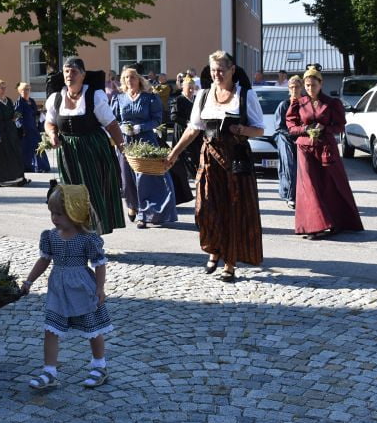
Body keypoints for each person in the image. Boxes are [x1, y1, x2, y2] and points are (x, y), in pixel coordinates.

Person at [167, 51, 265, 281]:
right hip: (209, 157)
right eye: (213, 70)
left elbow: (259, 129)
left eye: (221, 70)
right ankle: (214, 248)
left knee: (233, 211)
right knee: (205, 208)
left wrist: (242, 130)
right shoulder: (203, 95)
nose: (216, 74)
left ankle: (230, 263)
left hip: (236, 158)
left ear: (232, 70)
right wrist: (173, 153)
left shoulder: (245, 95)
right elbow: (193, 129)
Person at [21, 183, 111, 389]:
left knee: (93, 328)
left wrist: (100, 288)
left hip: (81, 289)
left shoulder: (87, 239)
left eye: (59, 214)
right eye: (52, 213)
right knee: (51, 329)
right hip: (58, 290)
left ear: (75, 212)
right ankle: (49, 371)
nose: (54, 218)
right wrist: (29, 281)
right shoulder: (51, 236)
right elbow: (44, 260)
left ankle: (100, 365)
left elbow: (99, 263)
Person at [44, 58, 127, 235]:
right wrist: (52, 135)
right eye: (66, 71)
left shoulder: (94, 96)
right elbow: (49, 122)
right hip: (68, 154)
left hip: (93, 150)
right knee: (71, 194)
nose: (69, 75)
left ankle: (94, 234)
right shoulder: (56, 98)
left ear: (83, 75)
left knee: (93, 193)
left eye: (74, 71)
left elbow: (111, 124)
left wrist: (124, 149)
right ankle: (75, 232)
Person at [285, 66, 363, 239]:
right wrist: (305, 129)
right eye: (307, 85)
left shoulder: (332, 103)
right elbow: (291, 127)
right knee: (309, 186)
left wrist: (325, 128)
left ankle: (337, 222)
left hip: (326, 148)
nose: (310, 88)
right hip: (305, 148)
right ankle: (314, 226)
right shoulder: (298, 103)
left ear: (321, 84)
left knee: (331, 184)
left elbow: (340, 126)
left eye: (313, 85)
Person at [112, 66, 177, 228]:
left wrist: (140, 127)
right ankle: (132, 205)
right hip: (125, 142)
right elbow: (114, 120)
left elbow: (157, 120)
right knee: (126, 178)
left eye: (132, 77)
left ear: (139, 79)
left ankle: (144, 214)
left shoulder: (149, 98)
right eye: (126, 77)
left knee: (144, 178)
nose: (129, 80)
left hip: (145, 141)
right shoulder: (119, 98)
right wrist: (122, 128)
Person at [0, 79, 30, 187]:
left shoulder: (8, 100)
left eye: (4, 87)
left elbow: (12, 115)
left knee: (15, 154)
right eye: (1, 88)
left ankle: (18, 178)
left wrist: (16, 116)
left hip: (10, 132)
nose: (4, 89)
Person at [274, 76, 303, 209]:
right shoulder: (284, 105)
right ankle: (290, 196)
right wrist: (293, 134)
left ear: (301, 88)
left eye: (297, 87)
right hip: (285, 139)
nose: (294, 89)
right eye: (291, 87)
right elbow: (279, 127)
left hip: (302, 138)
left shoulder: (306, 104)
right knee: (289, 167)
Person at [14, 82, 50, 174]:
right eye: (24, 90)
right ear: (20, 91)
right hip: (25, 129)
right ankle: (29, 166)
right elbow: (17, 117)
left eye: (28, 89)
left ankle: (40, 165)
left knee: (37, 146)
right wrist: (21, 128)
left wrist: (41, 113)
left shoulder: (32, 101)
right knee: (26, 148)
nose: (27, 91)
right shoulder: (19, 102)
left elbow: (34, 113)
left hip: (33, 127)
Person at [169, 77, 201, 177]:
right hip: (182, 131)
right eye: (189, 88)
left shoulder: (197, 99)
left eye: (193, 88)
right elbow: (173, 116)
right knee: (185, 154)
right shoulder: (178, 100)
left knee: (196, 154)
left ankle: (195, 175)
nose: (191, 90)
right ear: (183, 88)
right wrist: (187, 122)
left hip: (196, 132)